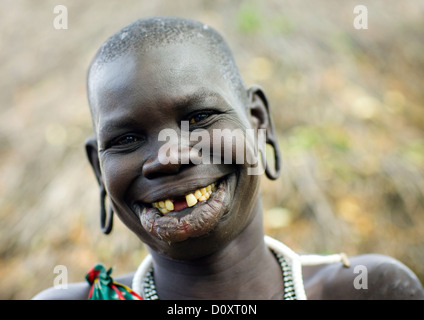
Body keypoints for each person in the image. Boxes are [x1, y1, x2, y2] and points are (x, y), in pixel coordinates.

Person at [34, 16, 424, 300]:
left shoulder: (371, 290)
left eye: (199, 118)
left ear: (259, 122)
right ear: (98, 171)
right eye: (128, 138)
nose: (167, 158)